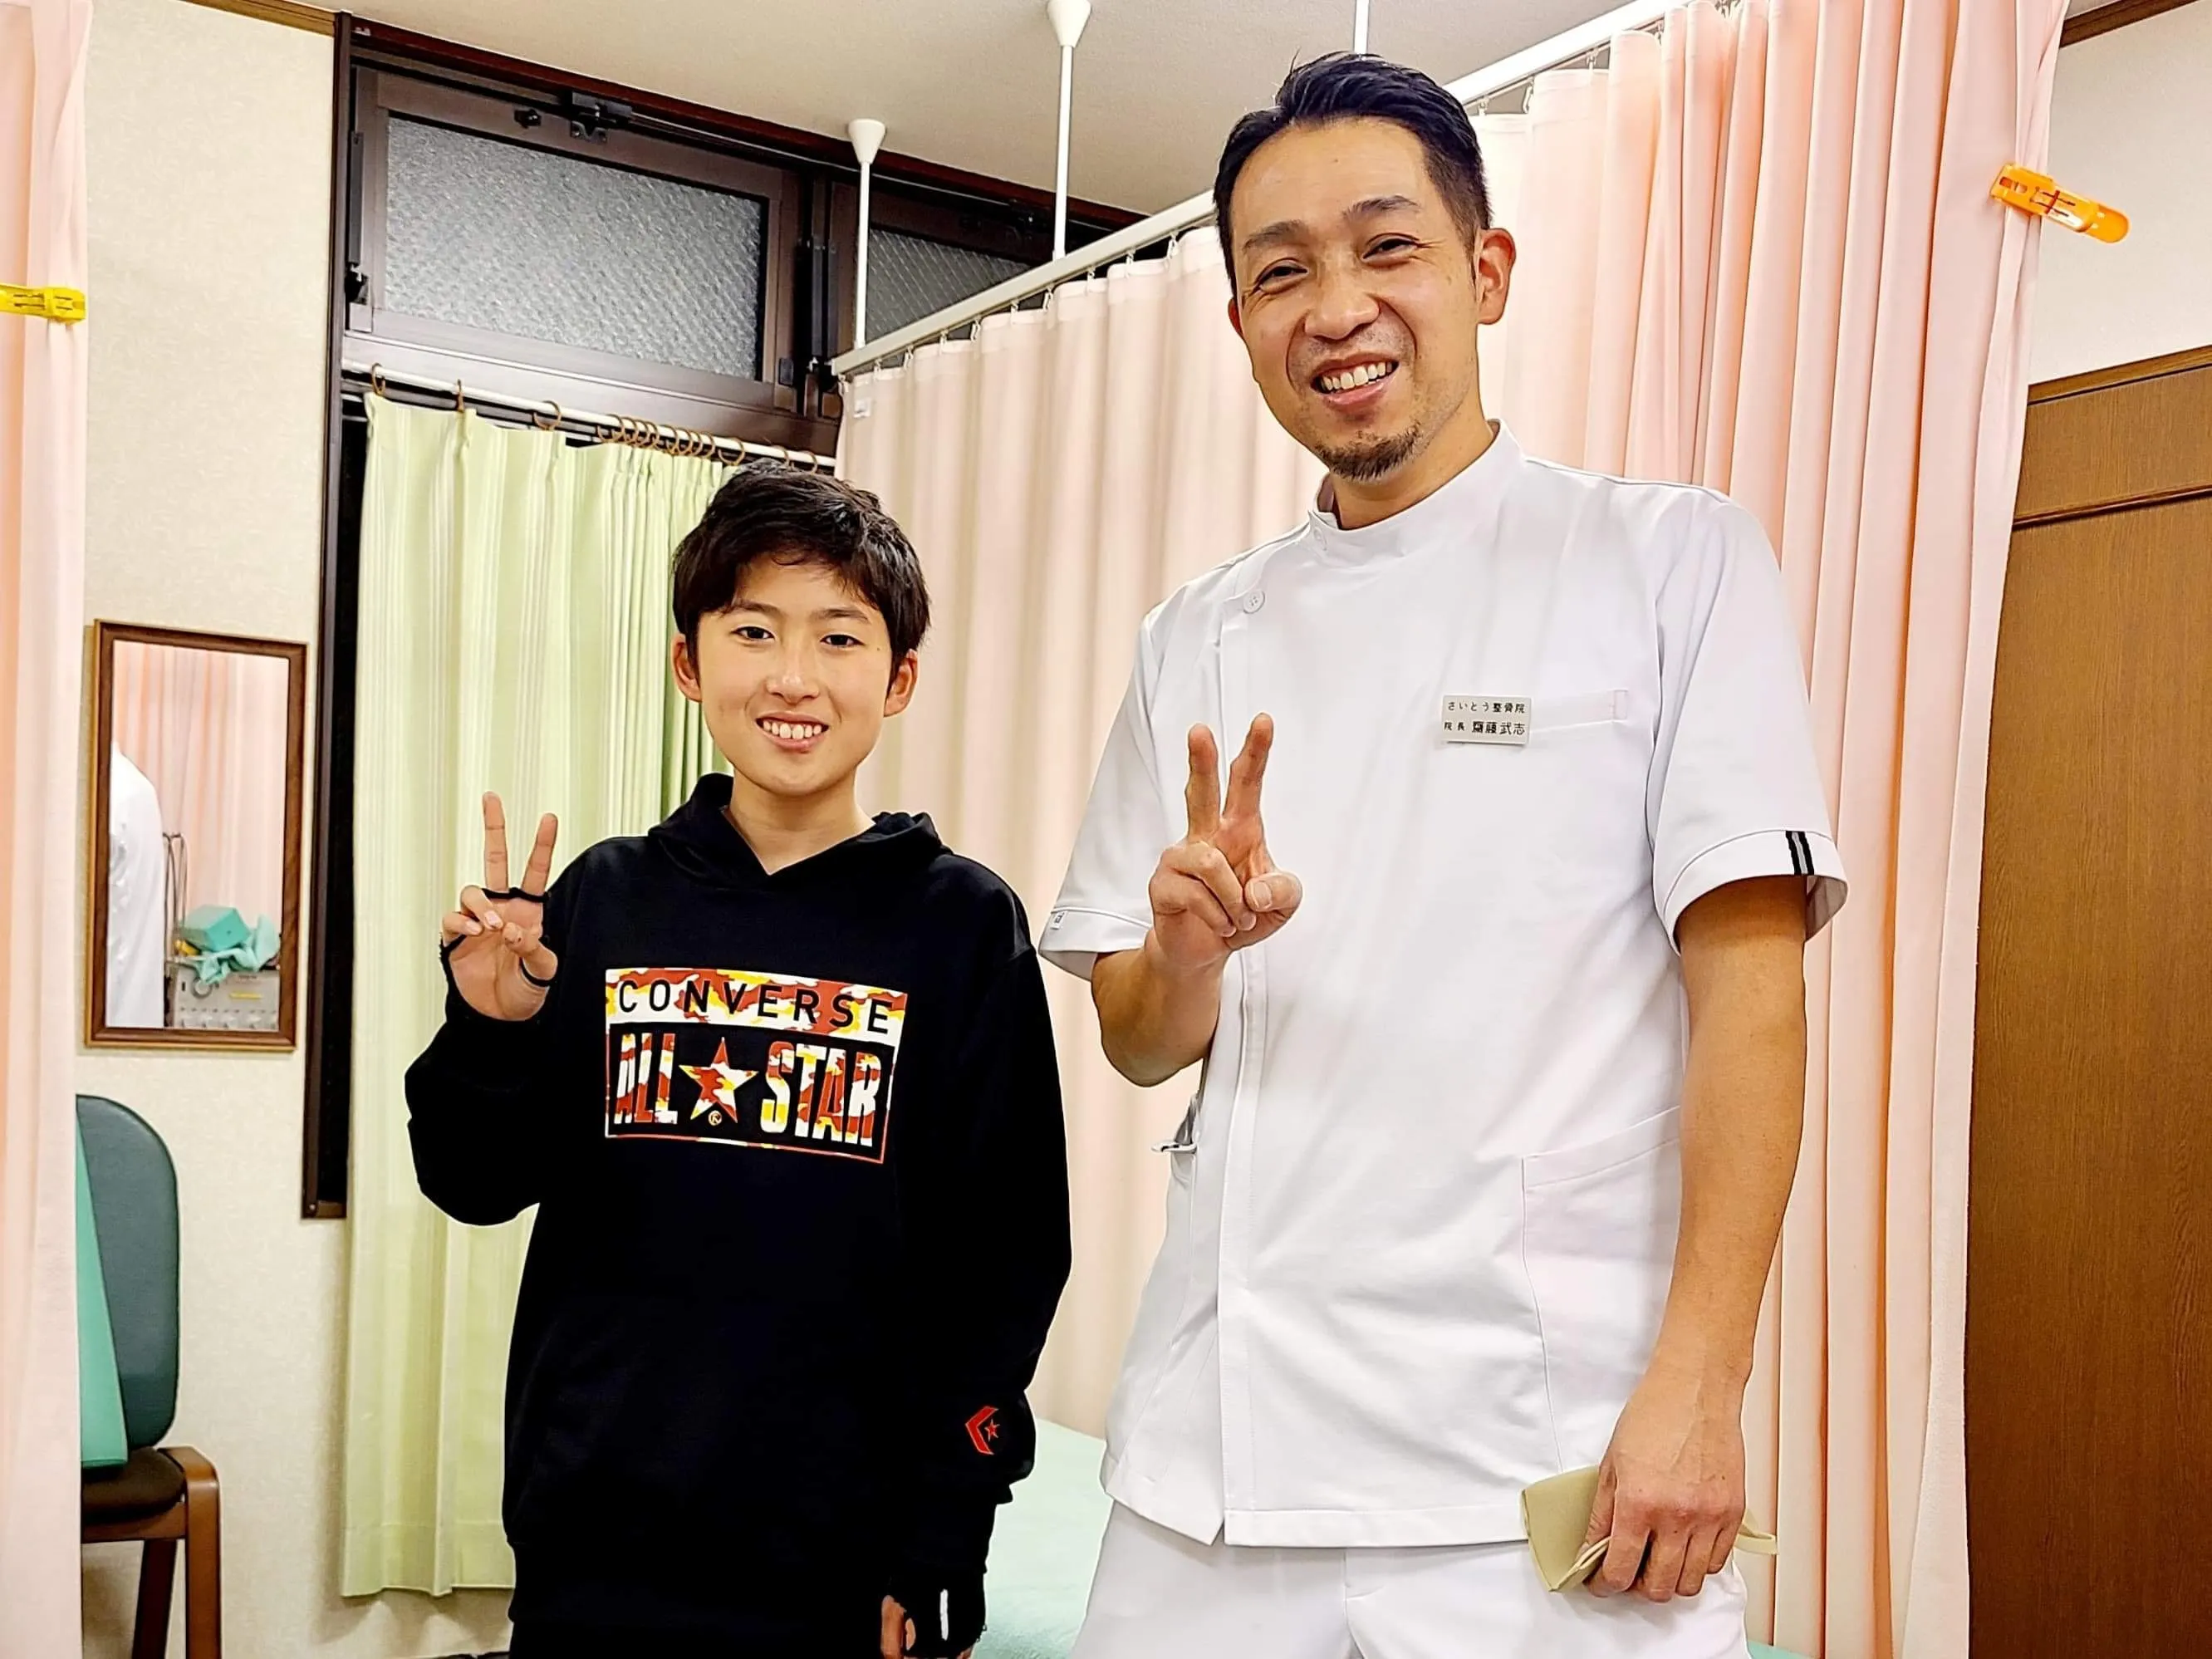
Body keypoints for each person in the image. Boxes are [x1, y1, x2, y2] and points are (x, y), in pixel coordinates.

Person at [1043, 54, 1846, 1659]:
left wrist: (1704, 1383)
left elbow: (1750, 997)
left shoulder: (1664, 562)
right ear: (1239, 322)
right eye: (1282, 271)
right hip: (1220, 1470)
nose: (1336, 306)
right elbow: (1136, 1043)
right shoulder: (1196, 633)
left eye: (1386, 246)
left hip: (1537, 1464)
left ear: (1485, 270)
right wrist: (1183, 953)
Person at [407, 468, 1071, 1659]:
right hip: (594, 1523)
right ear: (689, 663)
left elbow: (1005, 1261)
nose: (793, 678)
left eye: (839, 637)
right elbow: (473, 1182)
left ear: (899, 679)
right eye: (753, 631)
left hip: (846, 1549)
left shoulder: (961, 925)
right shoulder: (603, 899)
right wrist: (489, 1027)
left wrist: (943, 1538)